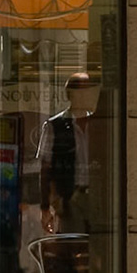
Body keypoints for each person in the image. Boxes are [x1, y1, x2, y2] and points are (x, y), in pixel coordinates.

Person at [38, 71, 99, 235]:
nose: (88, 97)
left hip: (98, 197)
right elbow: (45, 167)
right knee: (72, 244)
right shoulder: (54, 126)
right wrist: (46, 206)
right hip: (70, 197)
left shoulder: (99, 125)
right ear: (72, 95)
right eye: (83, 92)